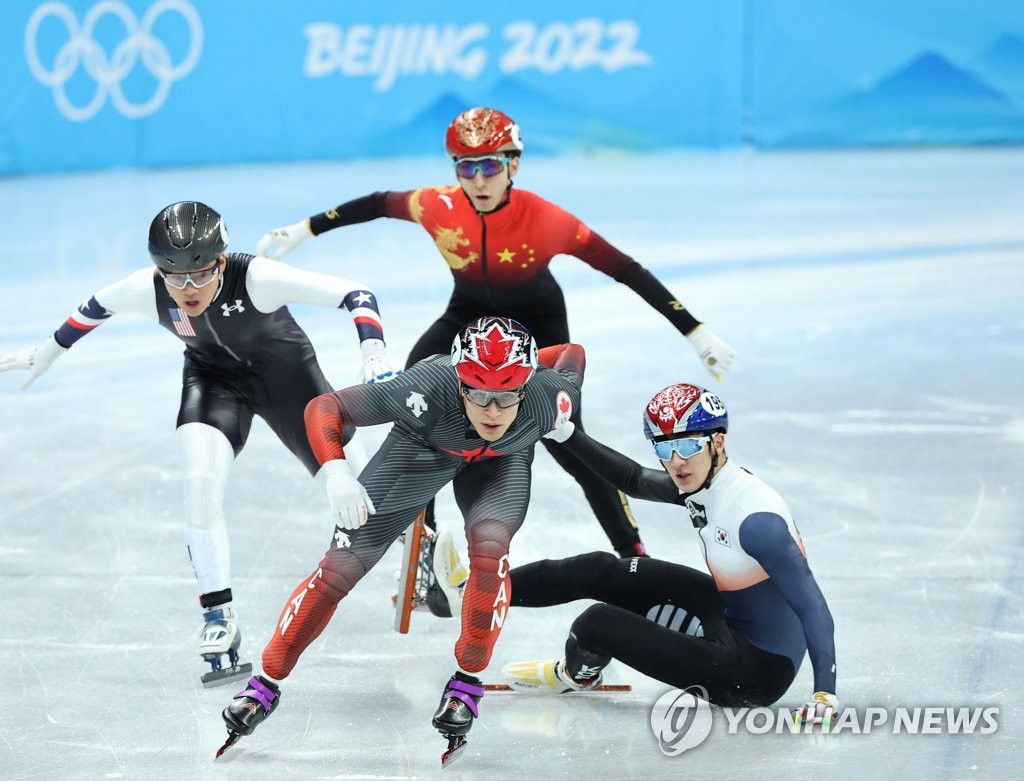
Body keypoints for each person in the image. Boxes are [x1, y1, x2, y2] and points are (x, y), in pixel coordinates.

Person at [255, 106, 737, 566]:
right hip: (465, 318)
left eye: (490, 165)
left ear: (515, 164)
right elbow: (380, 203)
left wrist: (695, 331)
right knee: (417, 402)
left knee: (572, 446)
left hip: (539, 327)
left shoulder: (547, 219)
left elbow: (625, 269)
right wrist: (306, 229)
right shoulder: (437, 205)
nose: (479, 181)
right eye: (466, 168)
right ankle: (423, 545)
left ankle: (632, 553)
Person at [0, 201, 399, 686]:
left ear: (221, 263)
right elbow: (92, 309)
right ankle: (218, 618)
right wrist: (45, 354)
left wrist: (373, 349)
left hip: (288, 381)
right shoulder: (146, 288)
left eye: (199, 275)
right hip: (213, 384)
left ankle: (419, 542)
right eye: (174, 276)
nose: (187, 289)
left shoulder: (257, 278)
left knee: (365, 499)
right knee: (200, 482)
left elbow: (355, 293)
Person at [219, 316, 586, 758]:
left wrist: (560, 408)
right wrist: (336, 471)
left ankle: (466, 684)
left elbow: (572, 353)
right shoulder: (427, 387)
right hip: (422, 449)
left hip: (500, 462)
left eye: (507, 395)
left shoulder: (551, 397)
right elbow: (325, 407)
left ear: (527, 384)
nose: (492, 410)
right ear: (458, 379)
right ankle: (266, 682)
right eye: (478, 392)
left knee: (491, 551)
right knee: (338, 569)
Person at [500, 383, 838, 724]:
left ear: (717, 443)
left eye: (688, 446)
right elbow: (633, 478)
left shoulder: (755, 522)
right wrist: (565, 433)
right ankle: (477, 593)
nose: (676, 462)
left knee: (596, 623)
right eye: (665, 448)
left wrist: (824, 695)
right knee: (596, 569)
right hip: (731, 614)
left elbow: (814, 606)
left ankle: (578, 675)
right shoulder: (706, 479)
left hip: (755, 670)